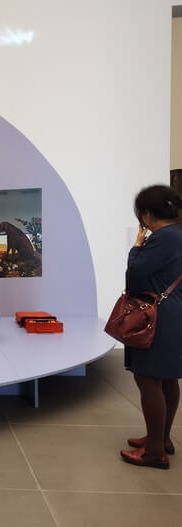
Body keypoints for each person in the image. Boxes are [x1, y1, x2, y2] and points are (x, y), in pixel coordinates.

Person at [121, 185, 182, 469]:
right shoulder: (177, 234)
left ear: (146, 214)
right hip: (174, 312)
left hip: (159, 317)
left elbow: (134, 275)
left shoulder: (162, 238)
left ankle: (154, 452)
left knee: (147, 379)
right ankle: (161, 438)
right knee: (167, 378)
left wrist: (136, 246)